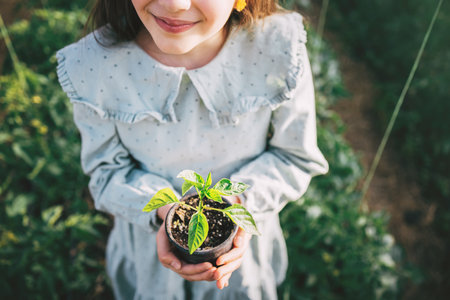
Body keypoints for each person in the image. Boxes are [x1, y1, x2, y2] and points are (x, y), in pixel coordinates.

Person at [56, 0, 328, 299]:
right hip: (148, 245)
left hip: (238, 251)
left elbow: (294, 157)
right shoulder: (96, 68)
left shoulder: (276, 47)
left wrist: (234, 202)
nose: (174, 4)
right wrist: (165, 211)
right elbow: (107, 173)